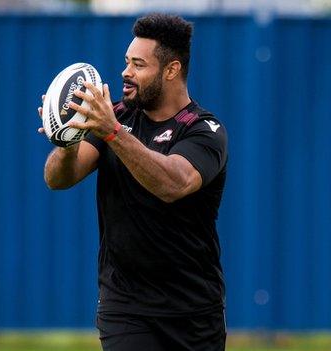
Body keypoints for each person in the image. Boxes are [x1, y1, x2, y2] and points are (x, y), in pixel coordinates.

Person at [38, 14, 228, 351]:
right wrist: (67, 141)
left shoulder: (203, 130)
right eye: (126, 62)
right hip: (125, 306)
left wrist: (112, 133)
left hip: (195, 310)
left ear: (171, 70)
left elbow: (173, 183)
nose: (126, 72)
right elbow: (57, 179)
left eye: (138, 65)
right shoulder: (116, 115)